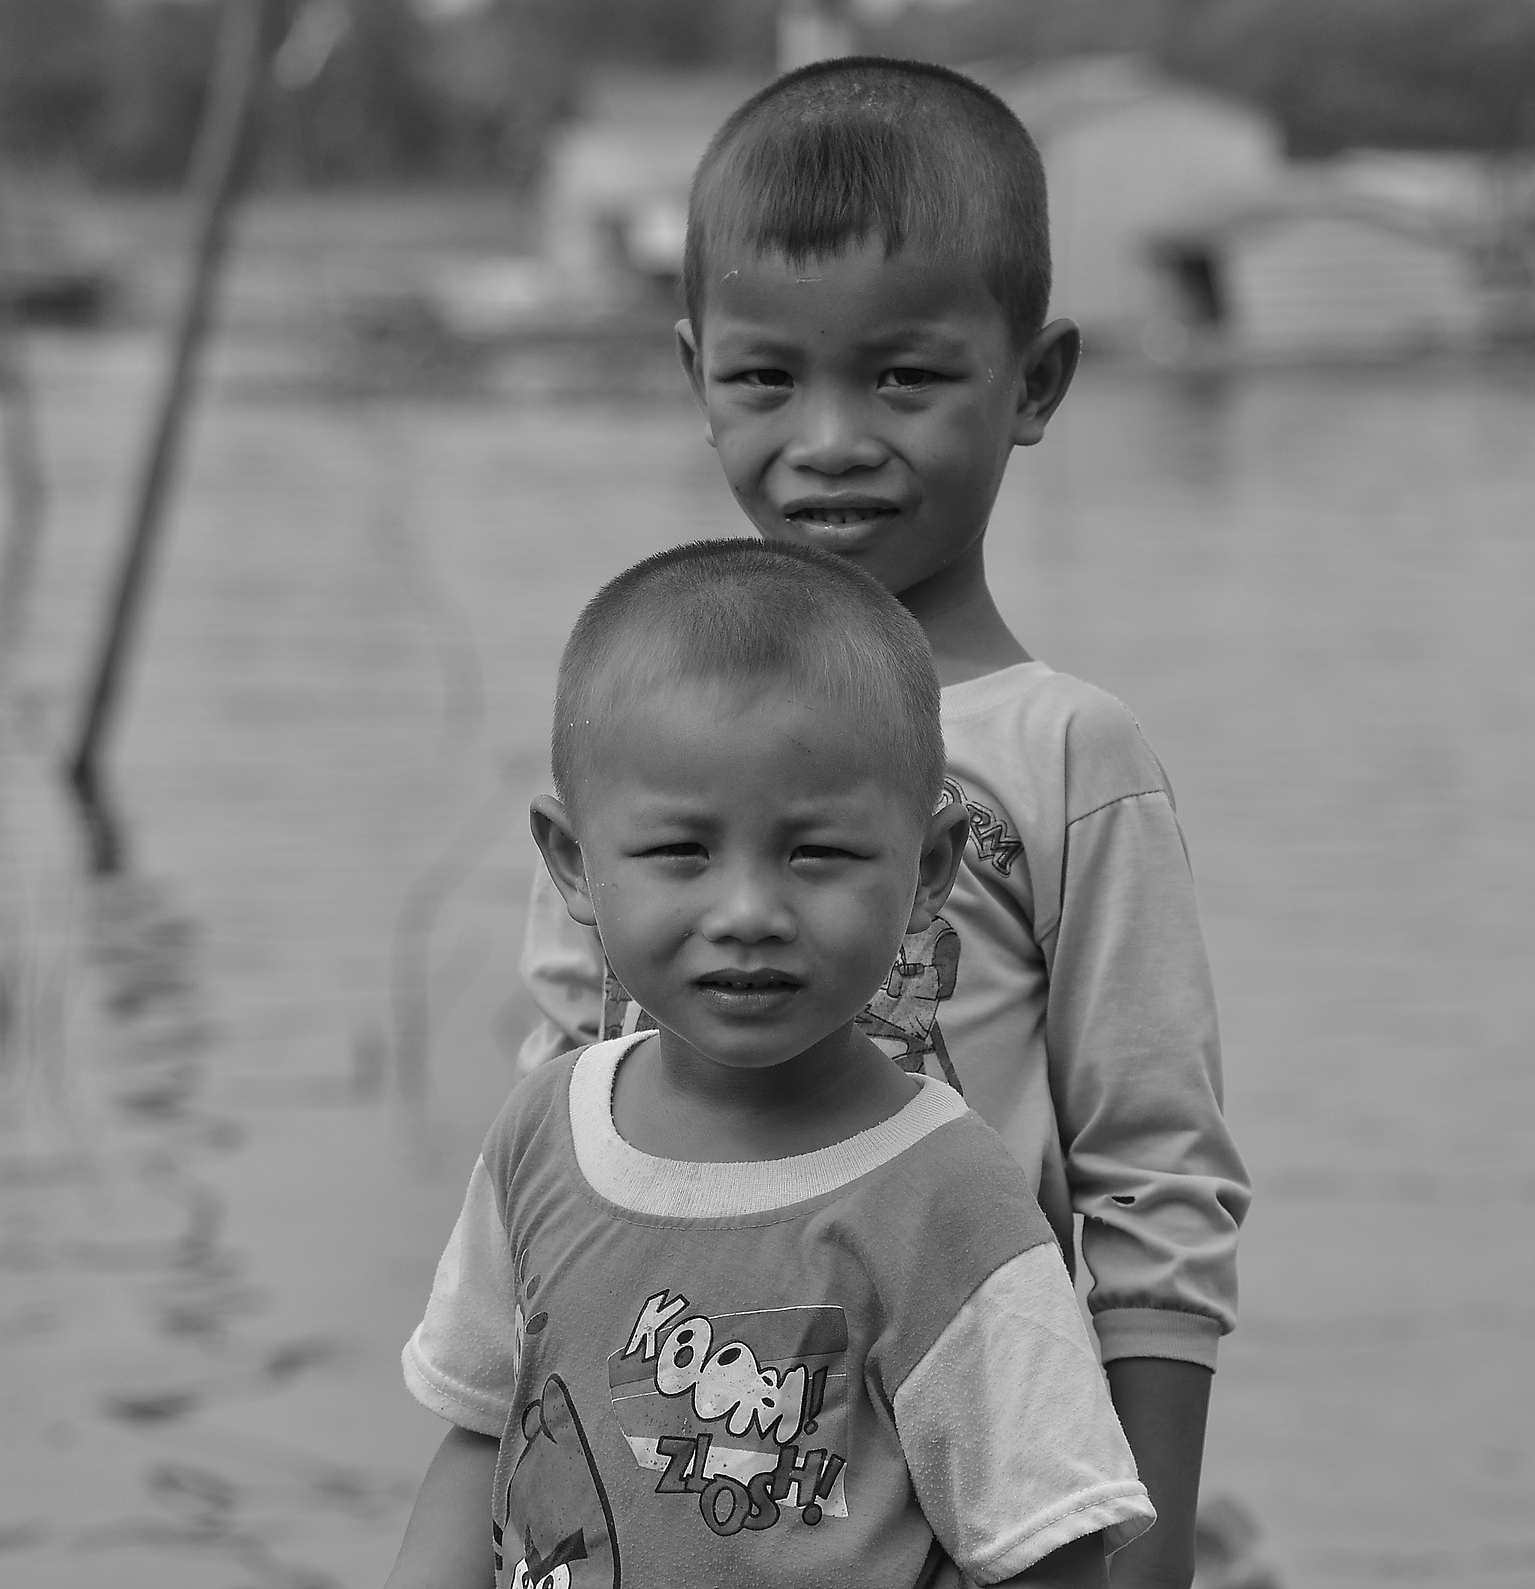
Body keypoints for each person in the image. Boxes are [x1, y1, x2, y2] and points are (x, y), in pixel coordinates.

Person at [515, 58, 1250, 1589]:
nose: (835, 437)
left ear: (1034, 381)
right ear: (695, 370)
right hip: (672, 1467)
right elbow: (560, 1119)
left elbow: (1151, 1176)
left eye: (905, 378)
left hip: (964, 1496)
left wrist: (1153, 1541)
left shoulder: (1066, 754)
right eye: (769, 378)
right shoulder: (635, 737)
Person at [389, 540, 1155, 1589]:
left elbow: (1045, 1545)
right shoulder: (542, 1134)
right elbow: (484, 1435)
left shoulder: (946, 1197)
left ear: (928, 867)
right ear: (573, 862)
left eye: (817, 853)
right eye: (680, 853)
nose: (748, 913)